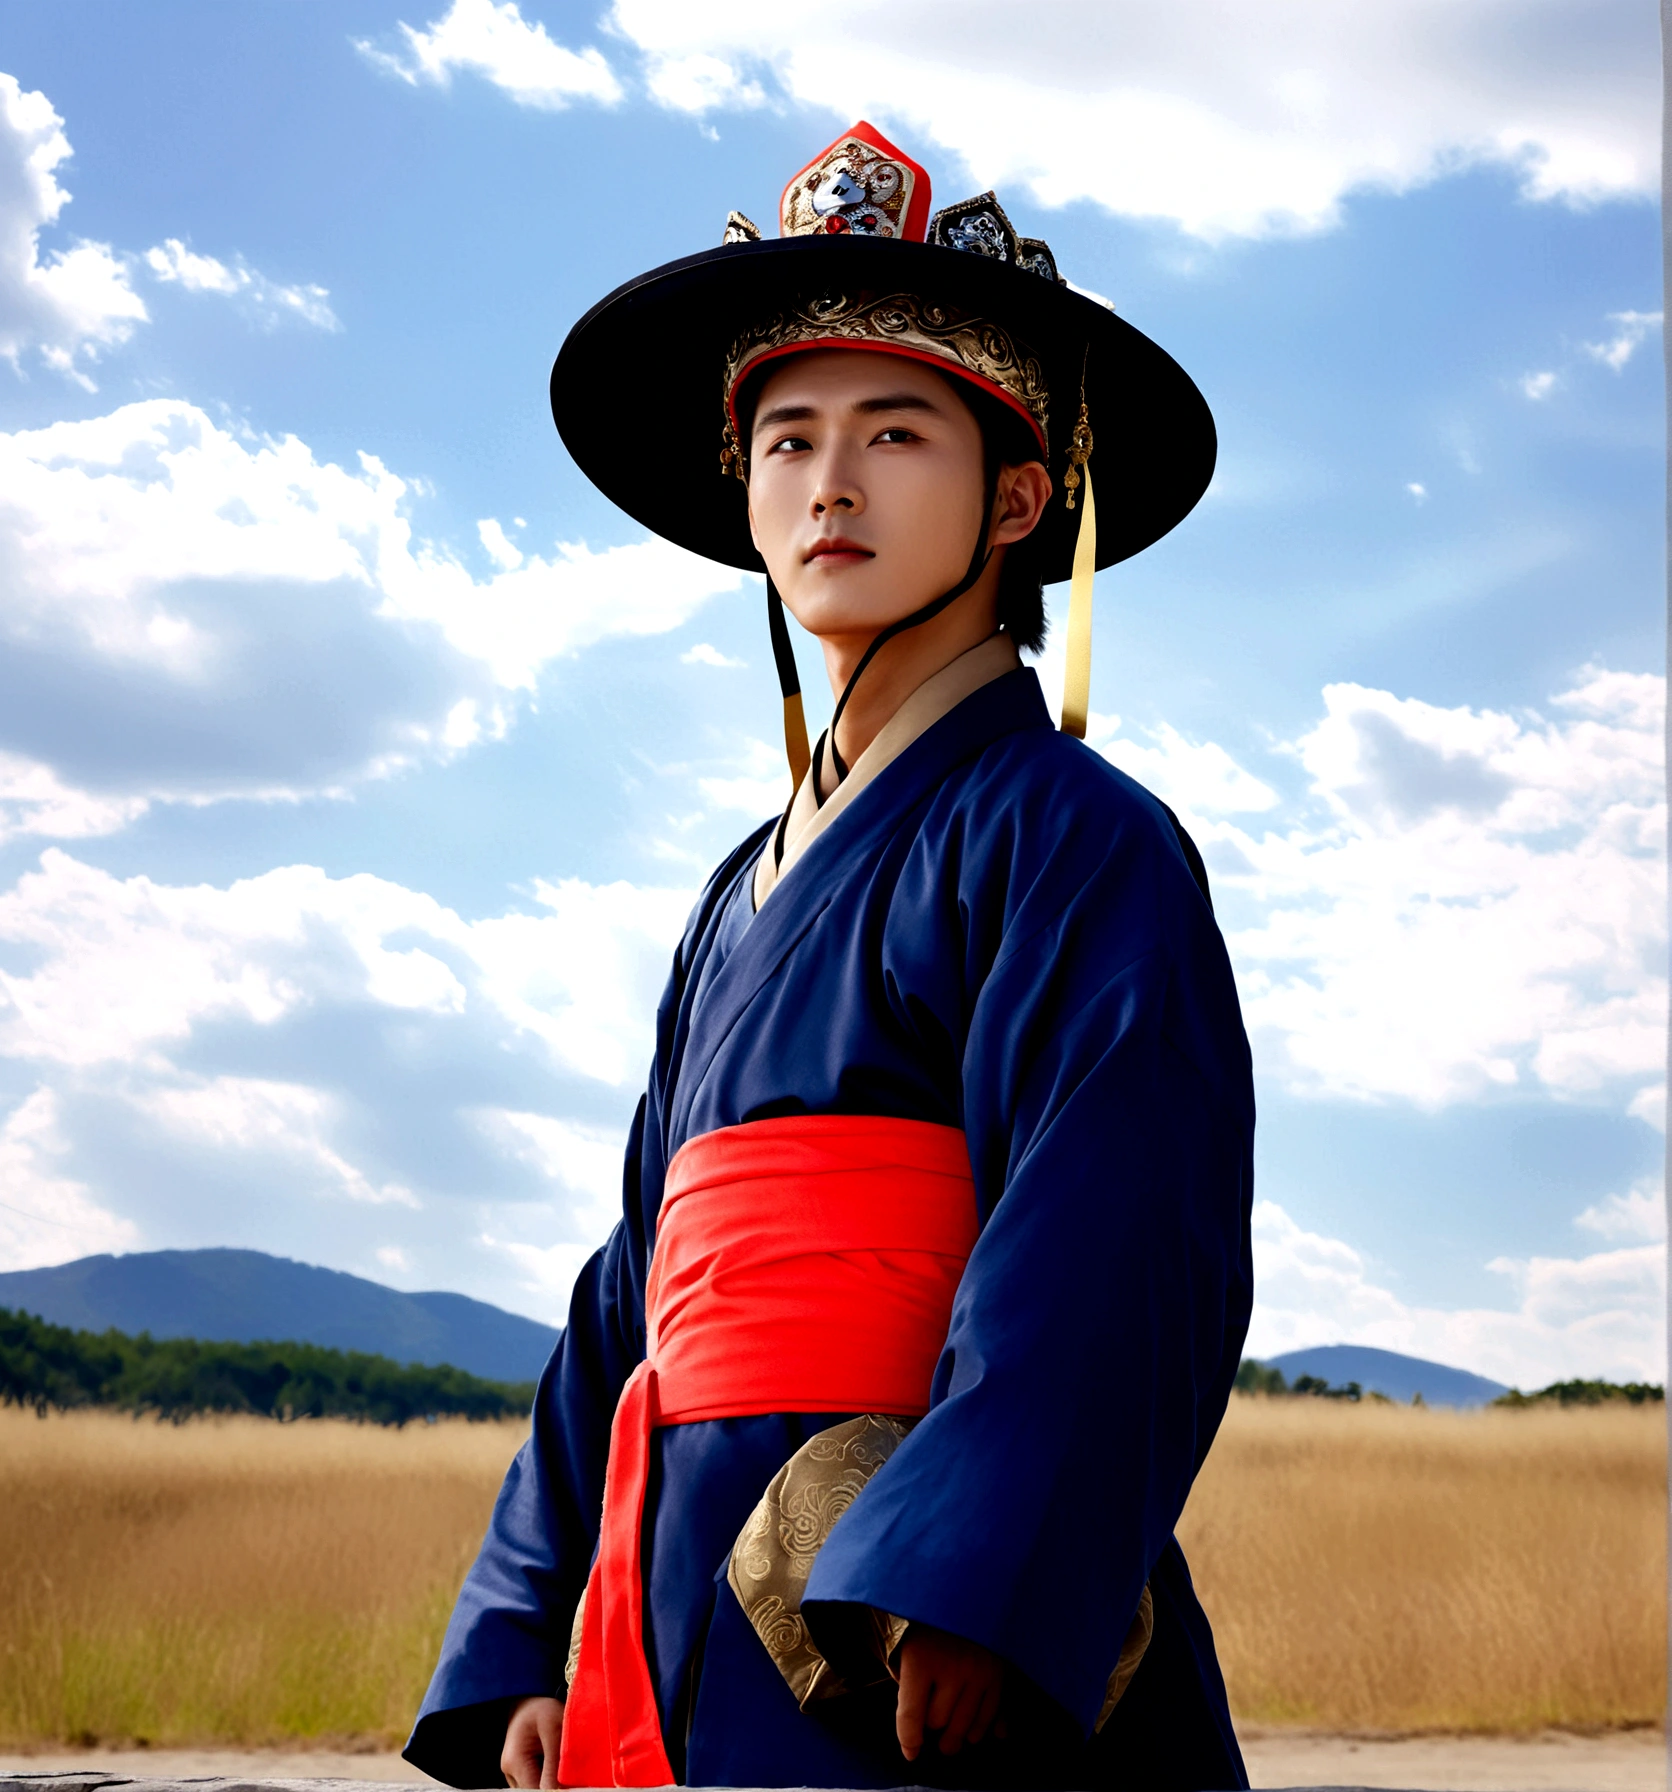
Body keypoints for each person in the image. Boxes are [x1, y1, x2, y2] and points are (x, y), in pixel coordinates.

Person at [404, 121, 1254, 1792]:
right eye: (785, 440)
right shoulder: (735, 893)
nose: (830, 483)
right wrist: (533, 1614)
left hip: (889, 1594)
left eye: (894, 432)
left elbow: (1115, 1230)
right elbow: (634, 1281)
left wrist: (977, 1580)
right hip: (673, 1571)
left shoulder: (1079, 838)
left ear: (1019, 496)